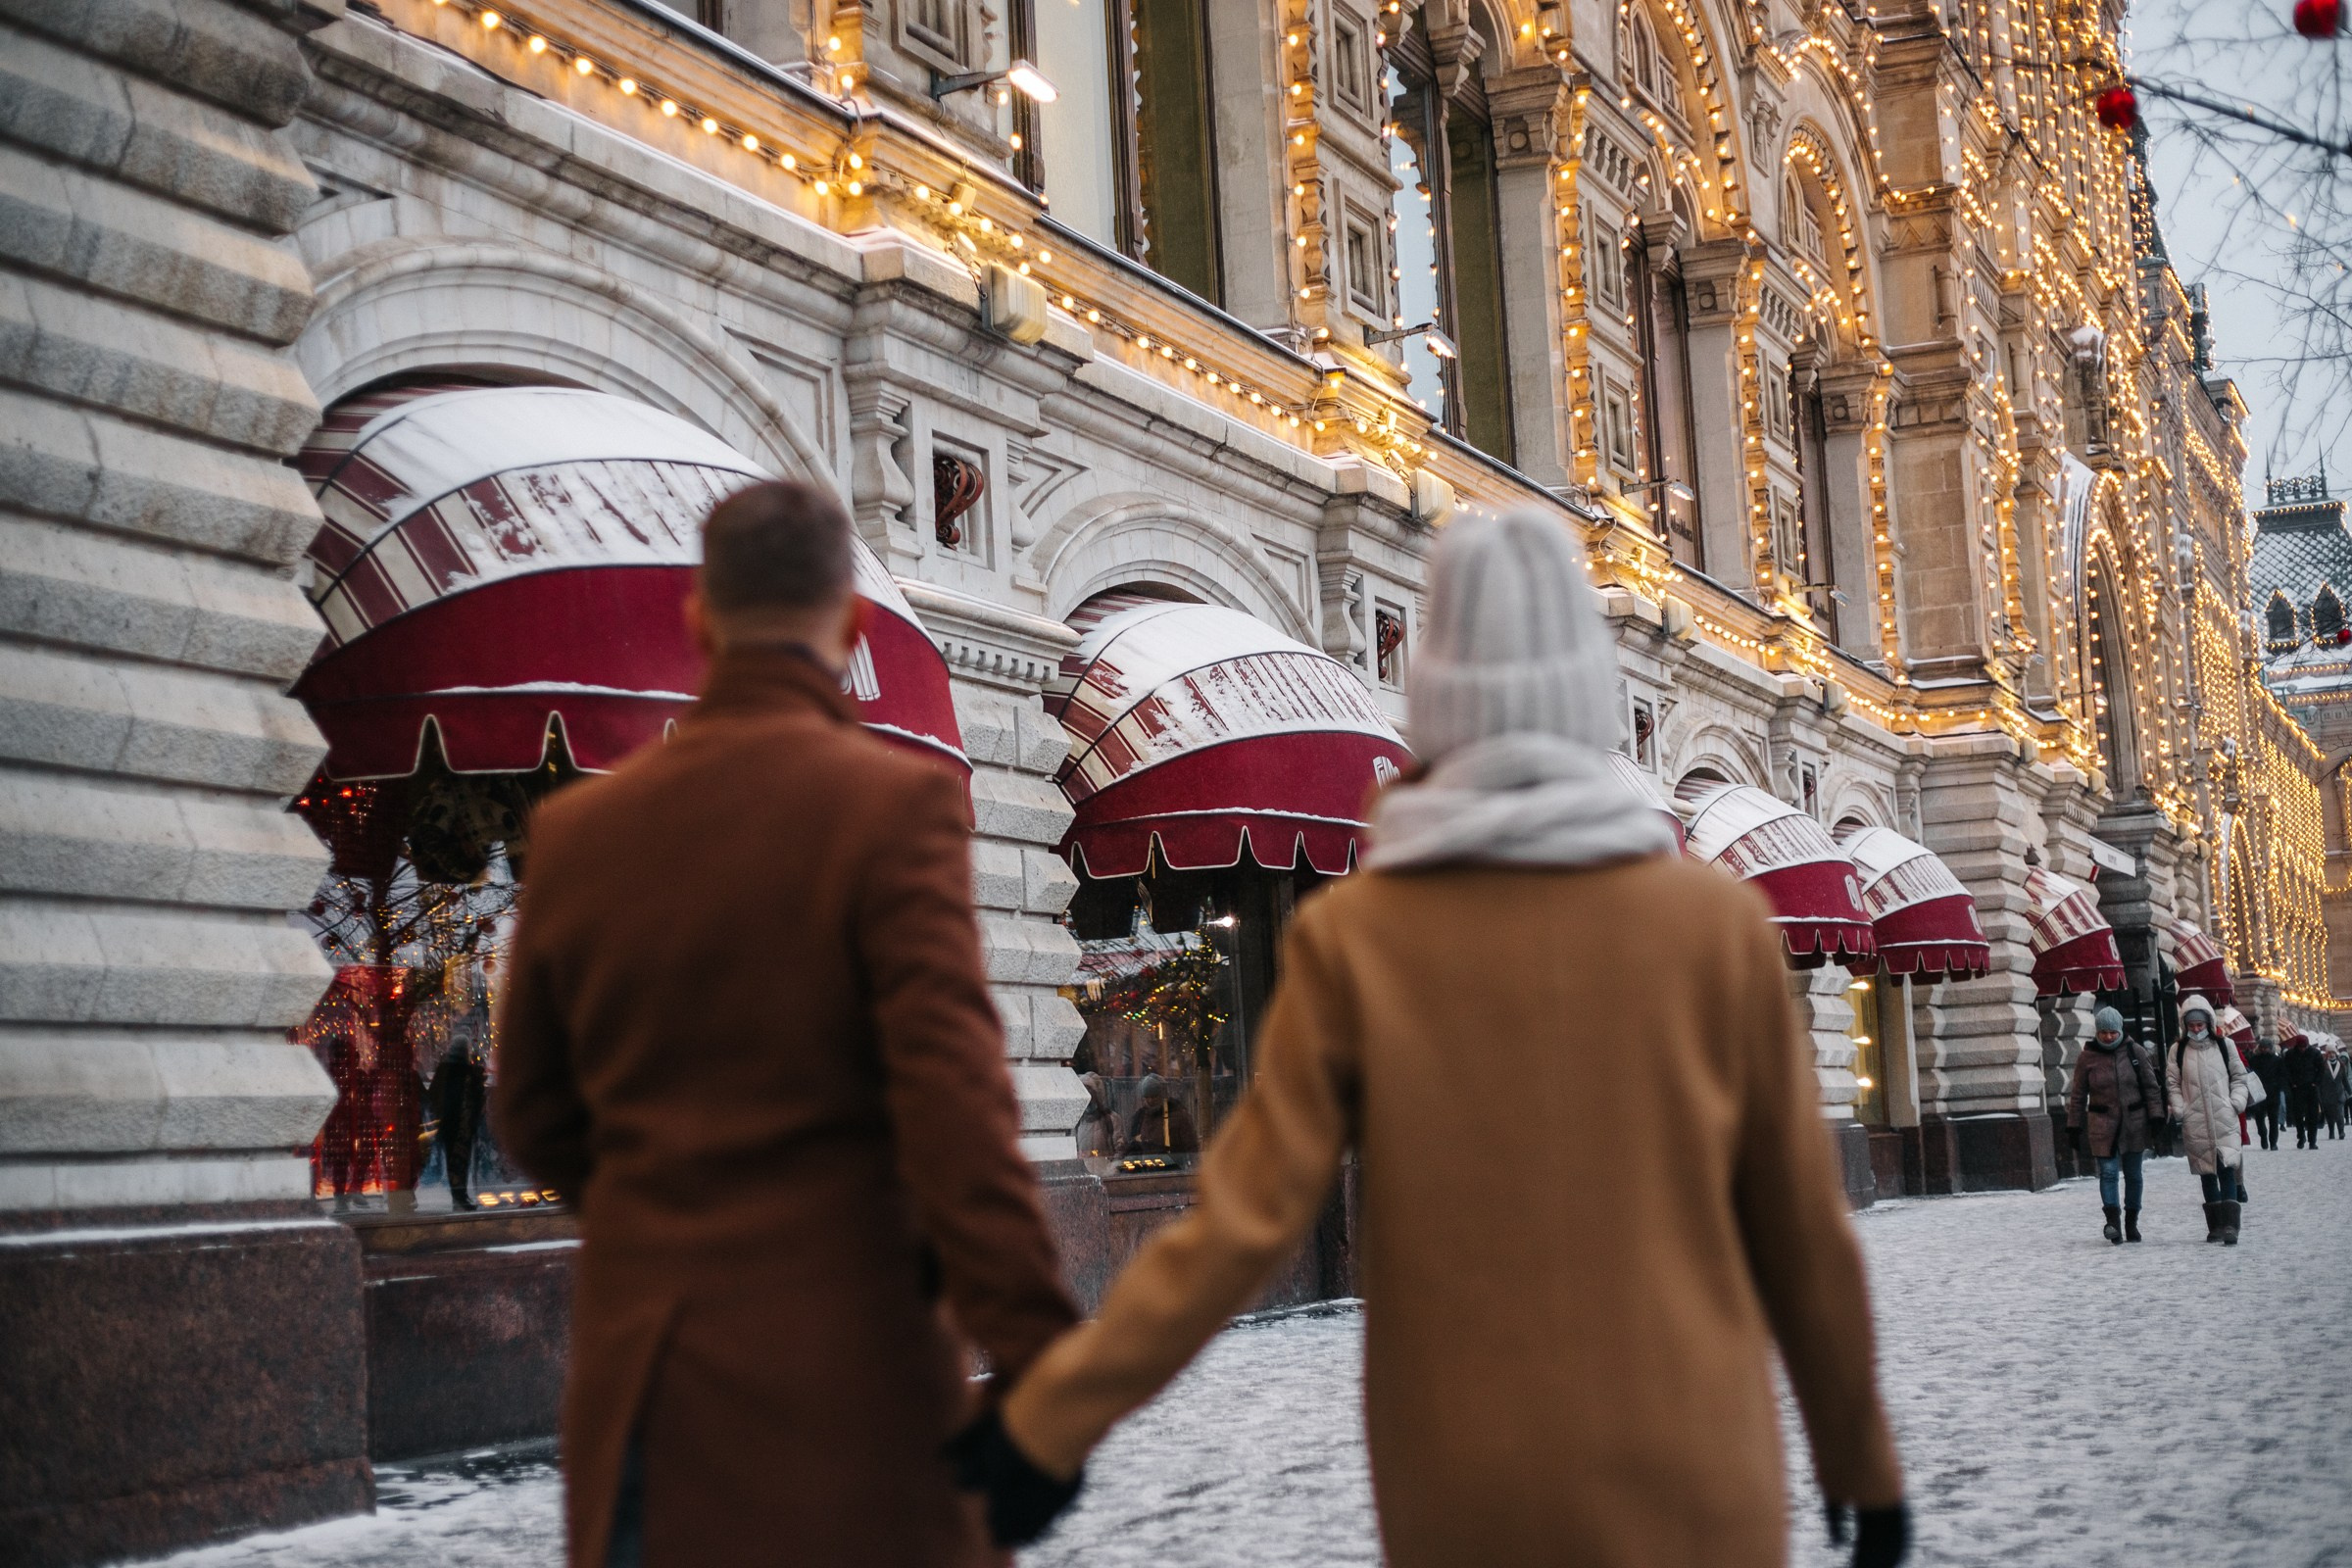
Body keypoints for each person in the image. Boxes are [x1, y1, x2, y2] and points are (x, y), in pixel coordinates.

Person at [957, 511, 1910, 1567]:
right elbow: (1797, 1229)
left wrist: (1050, 1423)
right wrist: (1858, 1459)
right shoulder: (1711, 927)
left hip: (1467, 1489)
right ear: (1585, 687)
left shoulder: (1365, 936)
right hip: (1694, 1470)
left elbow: (1239, 1230)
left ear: (1440, 683)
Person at [492, 479, 1078, 1567]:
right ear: (851, 627)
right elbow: (957, 1111)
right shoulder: (889, 809)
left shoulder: (579, 833)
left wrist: (660, 1205)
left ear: (701, 621)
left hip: (650, 1398)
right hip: (856, 1391)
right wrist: (1040, 1355)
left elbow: (529, 1109)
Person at [2065, 1006, 2163, 1244]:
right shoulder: (2087, 1057)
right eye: (2103, 1032)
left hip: (2134, 1122)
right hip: (2102, 1123)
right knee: (2108, 1173)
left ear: (2120, 1030)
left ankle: (2132, 1222)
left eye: (2112, 1032)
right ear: (2097, 1032)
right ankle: (2112, 1222)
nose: (2108, 1037)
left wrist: (2157, 1118)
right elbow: (2078, 1094)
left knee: (2133, 1174)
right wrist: (2073, 1126)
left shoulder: (2134, 1051)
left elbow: (2151, 1087)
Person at [2166, 996, 2251, 1245]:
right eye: (2191, 1025)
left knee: (2226, 1169)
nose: (2195, 1029)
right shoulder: (2178, 1050)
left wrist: (2236, 1102)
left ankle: (2231, 1226)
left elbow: (2239, 1077)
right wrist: (2181, 1108)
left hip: (2224, 1116)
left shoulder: (2225, 1045)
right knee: (2206, 1172)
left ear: (2208, 1024)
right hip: (2196, 1120)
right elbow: (2172, 1082)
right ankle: (2214, 1226)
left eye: (2200, 1025)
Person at [1120, 1071, 1200, 1158]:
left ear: (1163, 1095)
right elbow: (1132, 1145)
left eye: (1154, 1097)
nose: (1150, 1101)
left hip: (1173, 1167)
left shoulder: (1178, 1116)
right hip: (1147, 1168)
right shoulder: (1140, 1117)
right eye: (1147, 1097)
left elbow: (1191, 1146)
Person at [2282, 1030, 2328, 1150]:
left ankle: (2312, 1141)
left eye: (2304, 1046)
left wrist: (2316, 1083)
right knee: (2298, 1115)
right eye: (2300, 1047)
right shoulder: (2290, 1054)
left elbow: (2321, 1069)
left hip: (2311, 1088)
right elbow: (2286, 1070)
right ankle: (2301, 1136)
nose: (2302, 1049)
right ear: (2297, 1045)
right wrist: (2292, 1083)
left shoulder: (2315, 1053)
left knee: (2312, 1115)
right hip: (2297, 1088)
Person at [2247, 1032, 2286, 1152]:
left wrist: (2278, 1087)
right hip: (2258, 1094)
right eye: (2262, 1048)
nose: (2264, 1050)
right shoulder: (2254, 1060)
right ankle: (2263, 1136)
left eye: (2266, 1048)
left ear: (2270, 1048)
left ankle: (2273, 1142)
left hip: (2273, 1094)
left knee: (2273, 1119)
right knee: (2259, 1119)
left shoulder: (2277, 1060)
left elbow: (2283, 1075)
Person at [2323, 1044, 2347, 1141]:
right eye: (2329, 1052)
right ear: (2327, 1053)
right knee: (2329, 1114)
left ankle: (2341, 1132)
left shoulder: (2341, 1065)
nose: (2332, 1054)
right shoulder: (2323, 1065)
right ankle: (2331, 1131)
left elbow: (2344, 1080)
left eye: (2333, 1052)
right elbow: (2320, 1080)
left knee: (2339, 1113)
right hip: (2327, 1094)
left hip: (2339, 1093)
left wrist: (2349, 1092)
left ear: (2336, 1053)